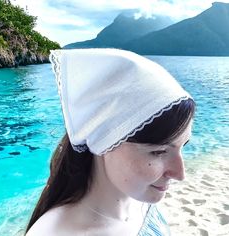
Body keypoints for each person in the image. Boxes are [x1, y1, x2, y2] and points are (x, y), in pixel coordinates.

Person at [25, 48, 195, 236]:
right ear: (105, 141)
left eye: (183, 146)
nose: (180, 174)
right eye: (159, 152)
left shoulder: (138, 198)